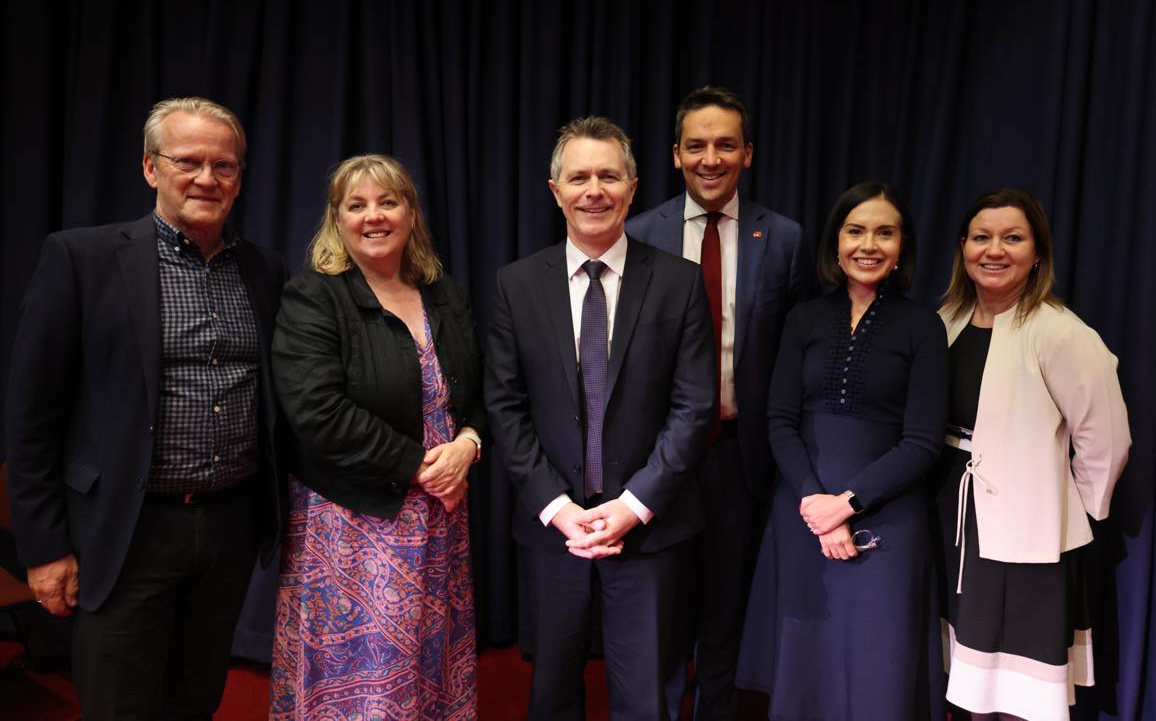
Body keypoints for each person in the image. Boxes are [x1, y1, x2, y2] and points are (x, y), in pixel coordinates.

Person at [4, 96, 287, 719]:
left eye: (225, 166)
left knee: (196, 699)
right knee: (119, 706)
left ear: (240, 178)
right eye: (188, 161)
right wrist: (44, 547)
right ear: (150, 168)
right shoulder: (80, 259)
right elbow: (32, 418)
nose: (207, 178)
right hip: (124, 531)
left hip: (228, 527)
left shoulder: (264, 270)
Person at [484, 116, 715, 719]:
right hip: (551, 531)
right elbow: (505, 408)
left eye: (608, 175)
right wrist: (560, 511)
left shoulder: (680, 283)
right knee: (552, 695)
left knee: (648, 698)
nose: (594, 190)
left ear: (633, 187)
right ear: (554, 190)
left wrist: (633, 505)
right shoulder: (515, 284)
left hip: (651, 529)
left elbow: (694, 407)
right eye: (579, 177)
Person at [268, 154, 484, 719]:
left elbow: (480, 390)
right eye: (356, 205)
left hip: (442, 510)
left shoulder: (443, 292)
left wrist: (469, 443)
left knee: (430, 663)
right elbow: (316, 412)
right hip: (353, 521)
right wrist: (420, 466)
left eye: (388, 202)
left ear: (411, 213)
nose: (374, 216)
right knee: (364, 681)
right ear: (336, 219)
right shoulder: (314, 296)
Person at [625, 85, 813, 720]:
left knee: (725, 610)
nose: (712, 158)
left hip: (739, 456)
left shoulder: (783, 239)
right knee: (661, 610)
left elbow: (795, 356)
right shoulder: (637, 232)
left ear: (748, 153)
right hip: (654, 460)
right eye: (697, 145)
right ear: (676, 155)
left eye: (725, 144)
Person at [738, 182, 947, 720]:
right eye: (856, 230)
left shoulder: (924, 325)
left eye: (885, 232)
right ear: (836, 243)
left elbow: (923, 441)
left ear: (902, 247)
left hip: (888, 522)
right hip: (802, 515)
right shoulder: (804, 318)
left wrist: (847, 505)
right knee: (807, 673)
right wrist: (816, 505)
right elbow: (779, 420)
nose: (869, 244)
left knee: (881, 673)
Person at [935, 188, 1130, 721]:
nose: (994, 250)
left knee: (1017, 683)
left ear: (1037, 252)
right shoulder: (945, 320)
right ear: (963, 248)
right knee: (966, 665)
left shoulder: (1060, 331)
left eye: (1012, 238)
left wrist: (1073, 514)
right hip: (951, 512)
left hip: (1027, 529)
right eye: (981, 237)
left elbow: (1106, 437)